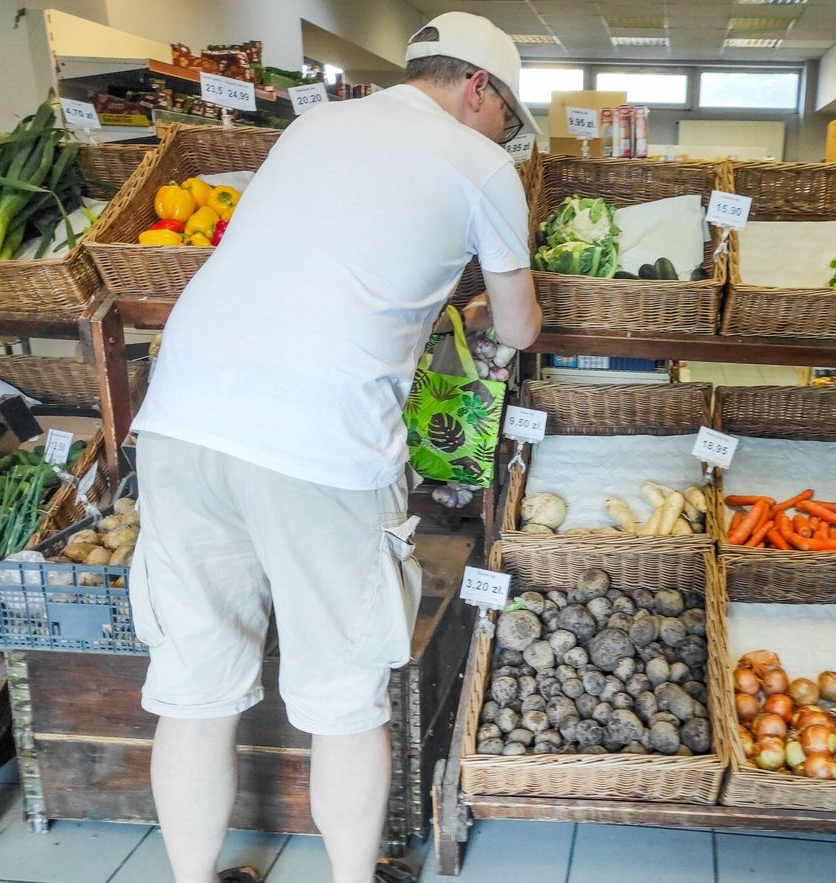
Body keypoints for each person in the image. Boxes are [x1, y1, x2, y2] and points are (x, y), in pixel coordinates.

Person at [127, 12, 541, 883]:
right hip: (317, 443)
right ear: (478, 88)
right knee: (347, 699)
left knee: (194, 689)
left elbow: (314, 261)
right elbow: (519, 325)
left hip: (179, 420)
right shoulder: (484, 164)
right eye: (508, 111)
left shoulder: (315, 122)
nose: (505, 129)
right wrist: (464, 312)